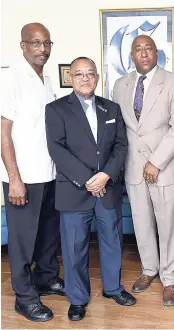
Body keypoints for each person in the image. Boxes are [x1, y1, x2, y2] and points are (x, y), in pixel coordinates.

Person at [45, 57, 135, 321]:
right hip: (74, 190)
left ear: (97, 77)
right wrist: (87, 179)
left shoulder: (112, 109)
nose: (85, 78)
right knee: (74, 247)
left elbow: (121, 145)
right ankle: (77, 298)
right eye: (79, 74)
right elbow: (56, 149)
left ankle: (112, 288)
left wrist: (105, 175)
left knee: (112, 242)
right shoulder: (56, 109)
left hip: (107, 189)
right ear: (70, 78)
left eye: (90, 73)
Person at [112, 35, 174, 306]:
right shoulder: (120, 85)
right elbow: (120, 130)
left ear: (157, 53)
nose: (144, 53)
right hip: (133, 167)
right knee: (141, 222)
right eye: (138, 49)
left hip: (164, 167)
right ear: (131, 55)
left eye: (149, 48)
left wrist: (156, 162)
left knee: (169, 224)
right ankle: (149, 269)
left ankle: (169, 279)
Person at [0, 23, 65, 322]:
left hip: (49, 173)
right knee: (24, 239)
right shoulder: (10, 77)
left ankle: (46, 278)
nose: (43, 48)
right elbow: (3, 130)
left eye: (46, 43)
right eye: (35, 43)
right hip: (23, 176)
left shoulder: (47, 79)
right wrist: (14, 178)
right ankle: (24, 298)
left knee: (49, 234)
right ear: (23, 45)